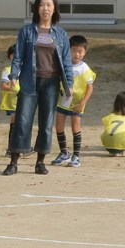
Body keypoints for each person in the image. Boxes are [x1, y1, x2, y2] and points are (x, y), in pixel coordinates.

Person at [2, 0, 73, 176]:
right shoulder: (26, 31)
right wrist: (14, 76)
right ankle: (13, 162)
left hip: (51, 83)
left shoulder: (61, 34)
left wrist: (69, 83)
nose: (45, 8)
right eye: (42, 5)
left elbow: (66, 61)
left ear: (55, 8)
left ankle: (40, 162)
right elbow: (18, 56)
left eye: (49, 5)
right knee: (22, 121)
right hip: (28, 81)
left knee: (46, 122)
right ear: (36, 8)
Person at [51, 35, 96, 167]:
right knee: (59, 126)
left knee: (75, 127)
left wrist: (82, 103)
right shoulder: (64, 65)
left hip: (77, 103)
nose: (77, 54)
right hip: (63, 101)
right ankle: (64, 153)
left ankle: (76, 156)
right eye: (74, 50)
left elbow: (90, 88)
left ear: (85, 52)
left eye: (80, 51)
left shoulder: (85, 68)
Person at [0, 44, 20, 157]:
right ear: (10, 57)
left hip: (21, 101)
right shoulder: (7, 70)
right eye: (13, 55)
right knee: (15, 123)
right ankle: (11, 149)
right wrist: (16, 90)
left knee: (19, 124)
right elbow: (3, 86)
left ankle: (17, 147)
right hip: (11, 102)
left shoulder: (23, 69)